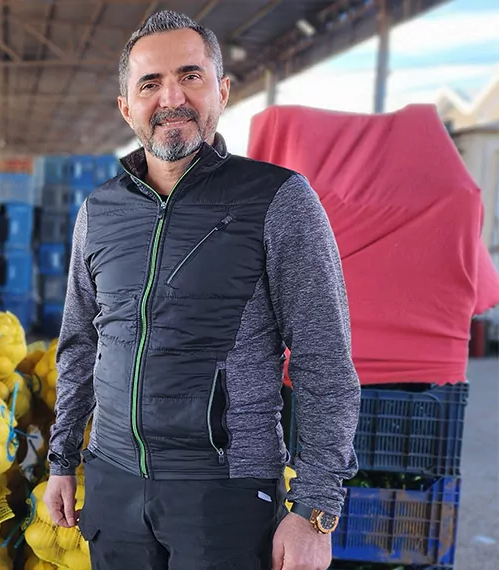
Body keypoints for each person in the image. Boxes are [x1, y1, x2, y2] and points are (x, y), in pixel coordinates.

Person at [43, 10, 360, 570]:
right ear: (126, 107)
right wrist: (62, 459)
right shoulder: (99, 212)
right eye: (150, 83)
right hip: (114, 483)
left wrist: (315, 509)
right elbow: (78, 345)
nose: (172, 97)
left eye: (190, 76)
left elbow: (324, 360)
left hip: (225, 493)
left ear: (222, 91)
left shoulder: (279, 200)